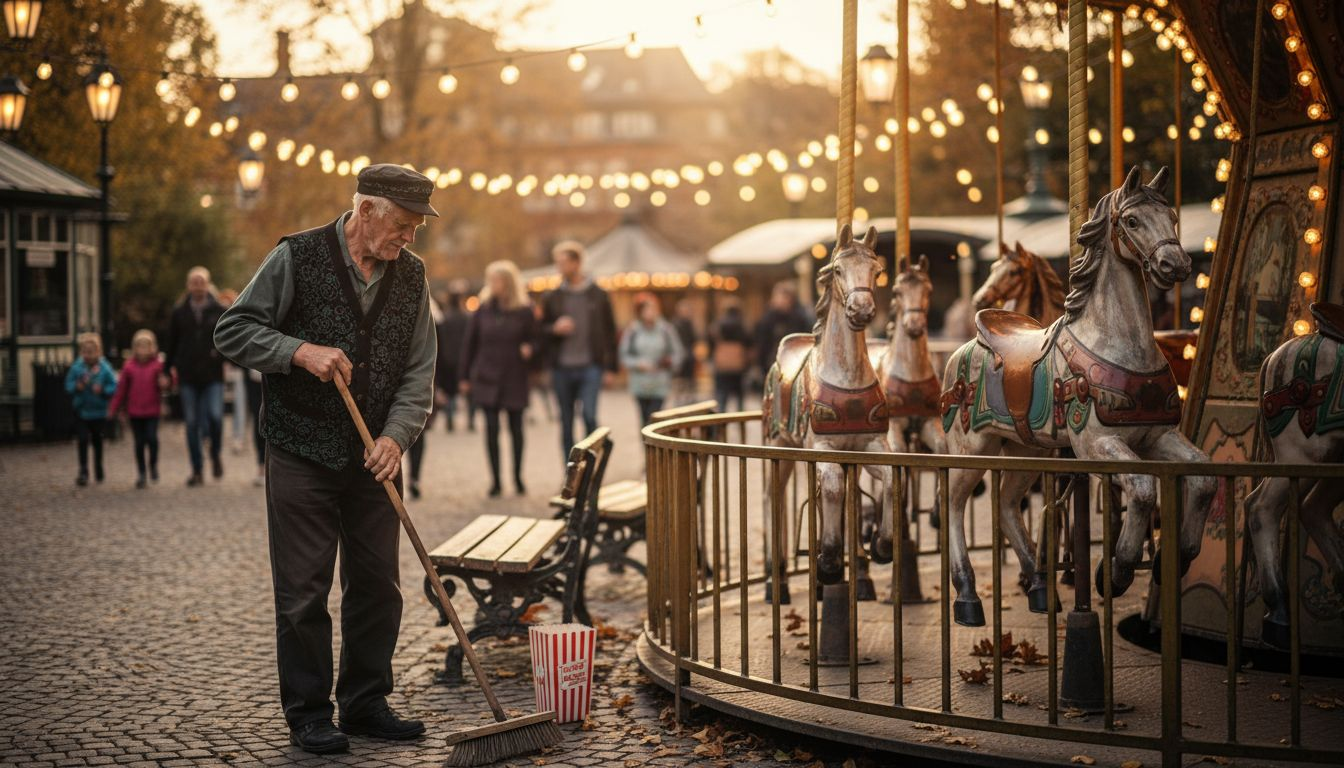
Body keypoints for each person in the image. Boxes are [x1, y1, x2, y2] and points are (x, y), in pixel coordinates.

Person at [213, 164, 437, 755]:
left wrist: (396, 438)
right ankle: (309, 714)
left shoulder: (412, 278)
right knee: (303, 592)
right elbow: (232, 330)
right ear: (365, 210)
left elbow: (419, 376)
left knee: (378, 586)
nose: (410, 237)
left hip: (374, 458)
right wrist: (297, 351)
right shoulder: (296, 256)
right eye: (405, 224)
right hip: (301, 450)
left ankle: (365, 703)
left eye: (416, 227)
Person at [461, 260, 538, 497]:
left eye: (498, 280)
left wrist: (530, 348)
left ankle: (517, 477)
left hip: (514, 375)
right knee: (491, 429)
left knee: (517, 429)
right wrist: (464, 377)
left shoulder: (525, 311)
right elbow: (469, 344)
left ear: (509, 283)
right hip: (487, 376)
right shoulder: (482, 309)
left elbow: (537, 339)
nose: (493, 284)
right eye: (491, 279)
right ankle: (495, 480)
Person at [540, 241, 617, 459]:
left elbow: (610, 332)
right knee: (566, 421)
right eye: (557, 263)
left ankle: (591, 468)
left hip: (590, 366)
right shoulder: (551, 297)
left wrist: (611, 368)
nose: (560, 268)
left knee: (590, 417)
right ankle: (570, 472)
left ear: (577, 263)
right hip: (561, 368)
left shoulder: (598, 295)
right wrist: (554, 328)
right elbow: (541, 330)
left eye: (563, 263)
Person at [164, 266, 227, 486]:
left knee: (215, 417)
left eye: (202, 281)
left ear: (208, 284)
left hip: (213, 375)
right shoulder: (179, 312)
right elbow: (171, 342)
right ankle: (197, 469)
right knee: (191, 423)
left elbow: (229, 340)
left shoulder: (219, 310)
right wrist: (166, 370)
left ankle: (216, 453)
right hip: (188, 376)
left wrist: (222, 356)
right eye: (194, 281)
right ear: (188, 285)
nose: (198, 285)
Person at [107, 329, 168, 488]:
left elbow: (168, 382)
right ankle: (141, 472)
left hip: (152, 410)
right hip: (134, 412)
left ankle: (153, 465)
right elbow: (121, 390)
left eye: (146, 347)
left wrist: (168, 381)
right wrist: (113, 408)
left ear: (152, 348)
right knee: (139, 443)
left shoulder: (157, 366)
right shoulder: (129, 367)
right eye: (140, 347)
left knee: (152, 439)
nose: (143, 351)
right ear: (134, 348)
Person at [619, 296, 685, 427]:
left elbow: (678, 352)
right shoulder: (633, 330)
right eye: (647, 309)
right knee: (644, 418)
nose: (650, 312)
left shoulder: (666, 329)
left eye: (653, 309)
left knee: (654, 418)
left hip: (660, 382)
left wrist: (669, 362)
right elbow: (623, 355)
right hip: (640, 382)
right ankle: (645, 446)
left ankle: (654, 445)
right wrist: (638, 363)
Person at [64, 333, 117, 486]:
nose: (88, 355)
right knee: (82, 439)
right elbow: (68, 385)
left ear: (98, 352)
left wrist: (103, 391)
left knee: (97, 440)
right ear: (81, 352)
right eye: (85, 351)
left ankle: (98, 467)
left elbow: (113, 386)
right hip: (81, 410)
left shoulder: (105, 368)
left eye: (92, 351)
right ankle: (83, 470)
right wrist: (77, 387)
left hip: (99, 411)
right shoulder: (77, 368)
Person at [406, 295, 445, 499]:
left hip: (420, 379)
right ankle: (411, 477)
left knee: (416, 431)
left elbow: (438, 354)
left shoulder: (429, 310)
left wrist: (439, 385)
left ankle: (414, 477)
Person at [754, 280, 813, 379]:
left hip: (796, 364)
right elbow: (763, 343)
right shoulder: (769, 318)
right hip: (773, 364)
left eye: (781, 297)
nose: (777, 300)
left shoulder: (800, 317)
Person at [436, 283, 471, 432]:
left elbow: (442, 341)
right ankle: (471, 419)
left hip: (449, 358)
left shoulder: (445, 318)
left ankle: (450, 420)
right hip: (464, 357)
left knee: (450, 391)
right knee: (468, 391)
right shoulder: (467, 317)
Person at [709, 302, 751, 412]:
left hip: (722, 365)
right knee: (739, 397)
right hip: (738, 364)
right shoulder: (742, 325)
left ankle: (721, 421)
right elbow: (749, 342)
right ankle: (740, 421)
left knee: (722, 396)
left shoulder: (718, 324)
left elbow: (710, 342)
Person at [670, 299, 699, 404]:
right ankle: (679, 397)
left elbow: (694, 338)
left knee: (689, 378)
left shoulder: (689, 323)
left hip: (689, 354)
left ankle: (688, 397)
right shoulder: (675, 324)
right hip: (680, 354)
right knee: (680, 377)